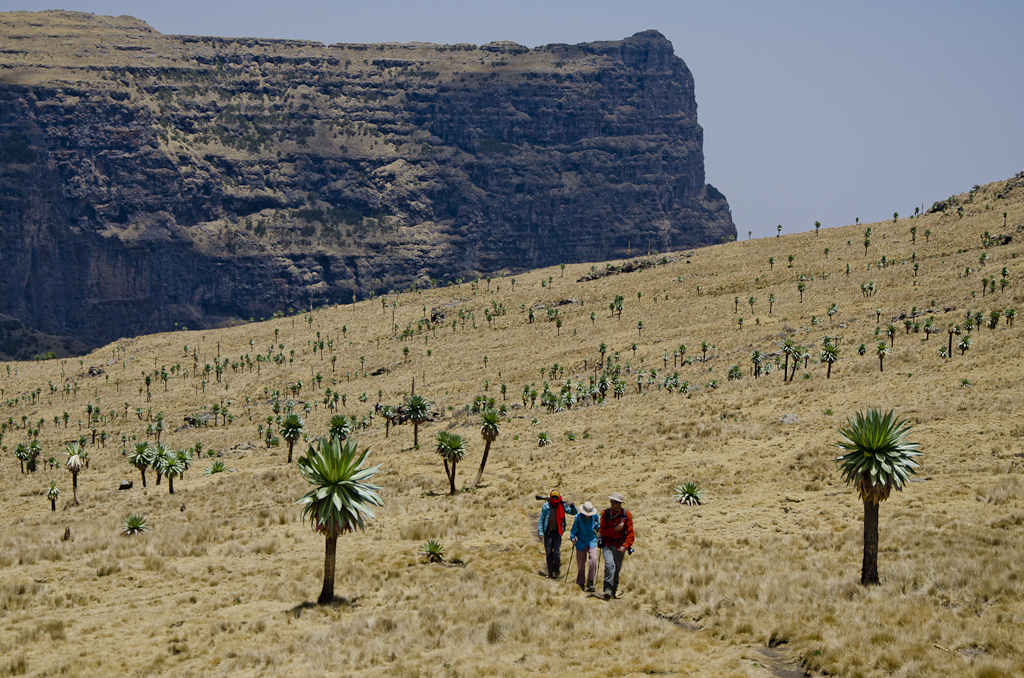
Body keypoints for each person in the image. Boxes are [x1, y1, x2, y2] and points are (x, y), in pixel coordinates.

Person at [598, 492, 634, 600]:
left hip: (619, 545)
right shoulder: (606, 514)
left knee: (617, 568)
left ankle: (613, 590)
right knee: (609, 565)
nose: (612, 504)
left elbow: (631, 533)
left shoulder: (626, 515)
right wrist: (615, 530)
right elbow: (602, 531)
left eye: (615, 502)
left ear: (620, 504)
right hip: (607, 544)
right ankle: (607, 589)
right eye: (611, 501)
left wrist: (626, 545)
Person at [537, 490, 576, 578]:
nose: (554, 499)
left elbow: (573, 512)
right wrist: (540, 532)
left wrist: (573, 506)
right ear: (551, 497)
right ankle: (550, 572)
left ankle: (557, 569)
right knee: (549, 552)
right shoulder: (546, 506)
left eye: (556, 497)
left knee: (557, 552)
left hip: (557, 532)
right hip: (548, 532)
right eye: (553, 497)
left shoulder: (561, 506)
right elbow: (541, 520)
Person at [569, 501, 599, 592]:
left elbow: (598, 526)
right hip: (581, 541)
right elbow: (573, 531)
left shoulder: (595, 516)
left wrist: (600, 535)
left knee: (593, 559)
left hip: (592, 540)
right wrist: (573, 538)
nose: (588, 515)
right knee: (581, 563)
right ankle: (580, 582)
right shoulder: (578, 517)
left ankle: (590, 581)